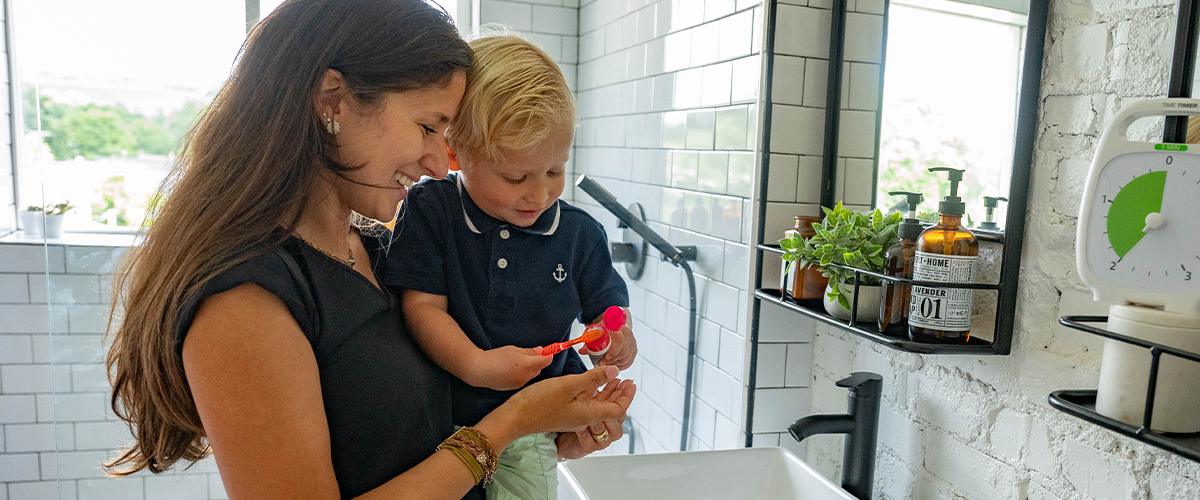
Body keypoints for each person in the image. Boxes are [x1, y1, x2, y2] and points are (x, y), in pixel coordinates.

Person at [101, 1, 636, 499]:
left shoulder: (380, 251)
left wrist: (552, 434)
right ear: (332, 101)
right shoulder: (244, 298)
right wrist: (512, 423)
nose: (440, 164)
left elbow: (412, 440)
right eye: (428, 127)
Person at [387, 35, 633, 500]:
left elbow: (608, 315)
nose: (538, 196)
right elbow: (421, 307)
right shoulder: (431, 210)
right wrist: (476, 365)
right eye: (515, 177)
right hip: (436, 417)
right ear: (456, 154)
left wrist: (613, 343)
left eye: (555, 171)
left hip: (536, 426)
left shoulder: (579, 234)